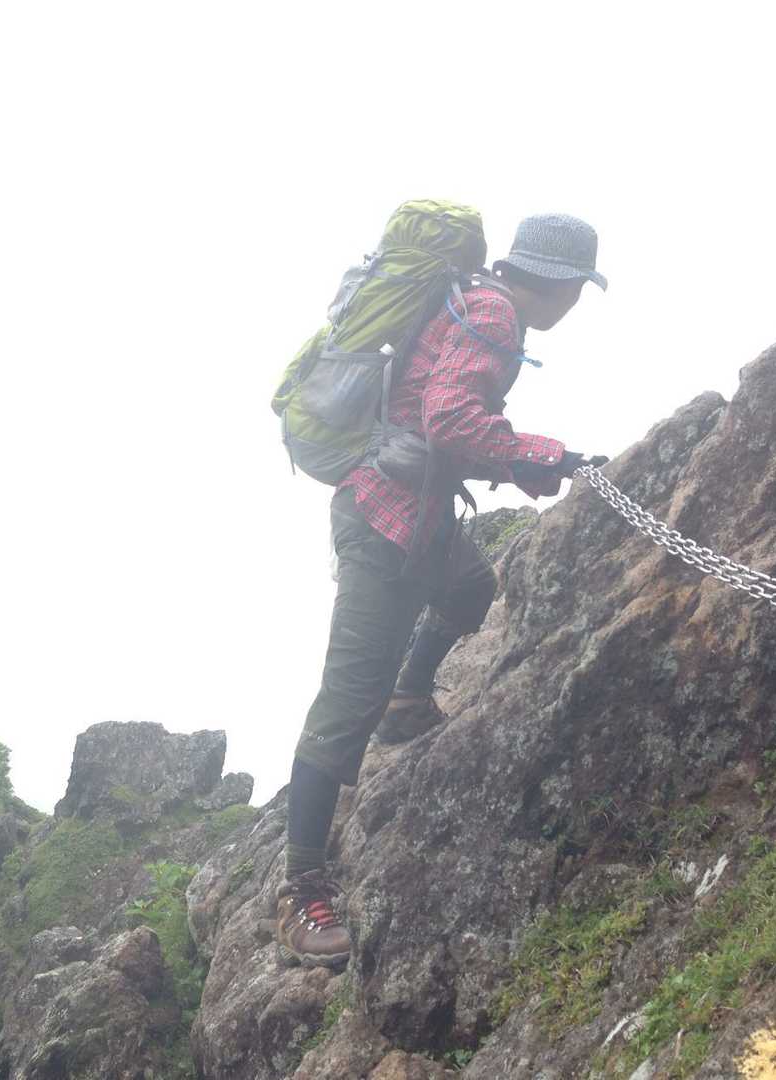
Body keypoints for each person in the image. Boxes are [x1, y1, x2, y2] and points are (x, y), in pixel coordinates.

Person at [274, 212, 611, 967]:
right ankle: (300, 891)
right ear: (559, 283)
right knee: (347, 700)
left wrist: (520, 462)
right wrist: (547, 454)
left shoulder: (473, 298)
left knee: (470, 586)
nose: (574, 305)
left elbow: (442, 418)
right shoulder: (492, 313)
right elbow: (453, 420)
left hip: (415, 512)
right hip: (384, 522)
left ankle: (408, 697)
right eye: (577, 291)